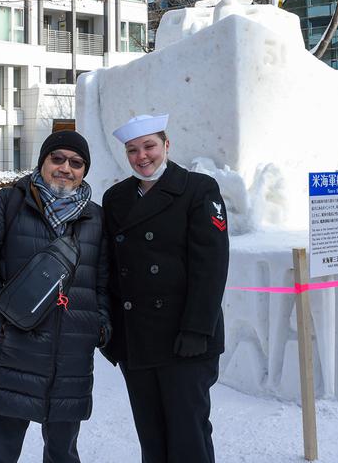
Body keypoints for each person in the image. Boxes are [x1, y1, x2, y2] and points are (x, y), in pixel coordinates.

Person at [0, 130, 111, 463]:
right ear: (43, 162)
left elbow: (103, 281)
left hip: (70, 354)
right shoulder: (10, 203)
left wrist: (101, 324)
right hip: (12, 347)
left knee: (62, 452)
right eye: (57, 158)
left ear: (84, 171)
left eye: (76, 163)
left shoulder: (95, 218)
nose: (66, 168)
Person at [101, 114, 229, 463]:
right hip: (137, 340)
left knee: (188, 437)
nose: (142, 156)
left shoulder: (199, 190)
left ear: (166, 146)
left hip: (184, 339)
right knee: (152, 437)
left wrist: (197, 329)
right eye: (132, 150)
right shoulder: (116, 198)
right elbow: (110, 268)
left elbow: (211, 267)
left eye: (149, 146)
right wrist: (112, 331)